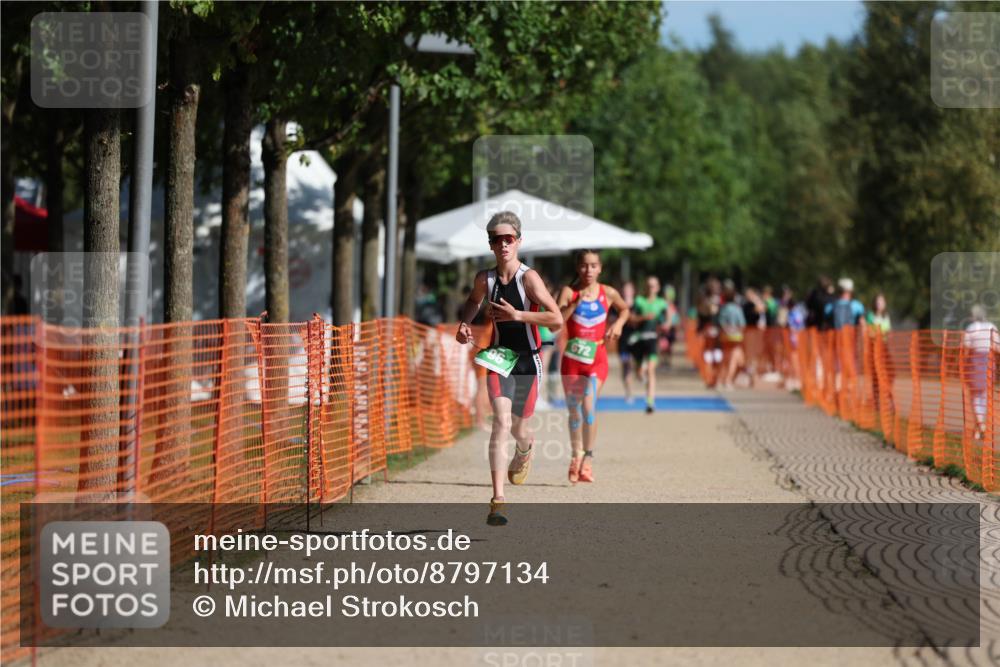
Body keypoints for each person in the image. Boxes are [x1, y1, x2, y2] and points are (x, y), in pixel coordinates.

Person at [455, 211, 562, 526]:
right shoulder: (484, 279)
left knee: (518, 428)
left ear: (518, 241)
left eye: (509, 239)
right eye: (497, 240)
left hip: (529, 359)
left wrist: (519, 316)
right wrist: (465, 323)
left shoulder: (529, 279)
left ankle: (526, 448)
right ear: (490, 244)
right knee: (500, 423)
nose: (503, 244)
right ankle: (497, 500)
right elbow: (474, 302)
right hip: (499, 357)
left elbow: (556, 319)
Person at [556, 250, 629, 484]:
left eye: (594, 266)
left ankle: (588, 459)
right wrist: (574, 303)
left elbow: (625, 309)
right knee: (574, 411)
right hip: (572, 360)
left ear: (600, 269)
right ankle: (575, 455)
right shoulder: (569, 292)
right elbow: (557, 320)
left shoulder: (607, 292)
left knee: (589, 406)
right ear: (578, 268)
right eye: (585, 265)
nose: (589, 270)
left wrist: (618, 324)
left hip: (597, 358)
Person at [630, 276, 669, 413]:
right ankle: (642, 372)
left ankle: (650, 402)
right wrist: (644, 318)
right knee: (639, 372)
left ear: (658, 288)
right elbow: (631, 317)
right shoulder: (639, 301)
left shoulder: (662, 303)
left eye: (653, 285)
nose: (651, 288)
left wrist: (665, 327)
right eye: (648, 285)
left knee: (651, 370)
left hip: (653, 339)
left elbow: (666, 321)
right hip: (639, 339)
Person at [963, 304, 998, 441]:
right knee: (984, 396)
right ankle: (980, 426)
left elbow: (966, 350)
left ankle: (980, 425)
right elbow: (997, 347)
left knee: (975, 397)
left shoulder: (971, 328)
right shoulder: (992, 327)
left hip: (975, 365)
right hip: (989, 365)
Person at [717, 280, 747, 390]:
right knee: (735, 360)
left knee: (726, 358)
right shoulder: (737, 309)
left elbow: (721, 323)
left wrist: (726, 330)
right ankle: (728, 380)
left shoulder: (723, 309)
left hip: (725, 336)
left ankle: (722, 380)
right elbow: (742, 324)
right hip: (736, 337)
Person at [617, 280, 636, 402]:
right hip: (623, 341)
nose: (627, 292)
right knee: (626, 366)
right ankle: (629, 392)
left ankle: (640, 374)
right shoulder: (618, 305)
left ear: (633, 291)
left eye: (629, 289)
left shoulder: (638, 304)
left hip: (637, 340)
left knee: (635, 365)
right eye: (625, 289)